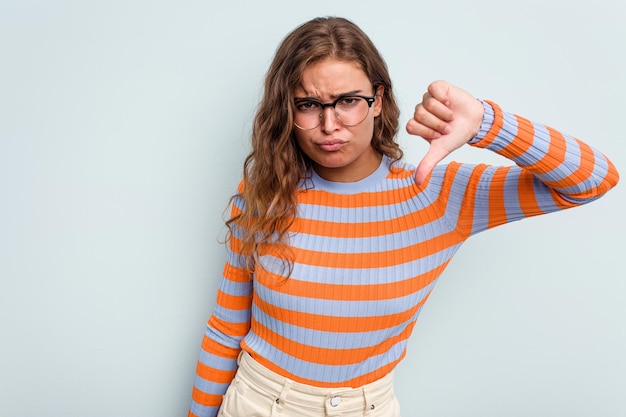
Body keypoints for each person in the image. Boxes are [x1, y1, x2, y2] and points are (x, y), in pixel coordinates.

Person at [188, 16, 619, 417]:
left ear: (378, 101)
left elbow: (594, 180)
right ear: (288, 110)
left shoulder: (438, 194)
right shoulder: (264, 194)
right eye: (307, 104)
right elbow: (227, 327)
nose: (329, 124)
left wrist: (487, 123)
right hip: (259, 402)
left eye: (348, 101)